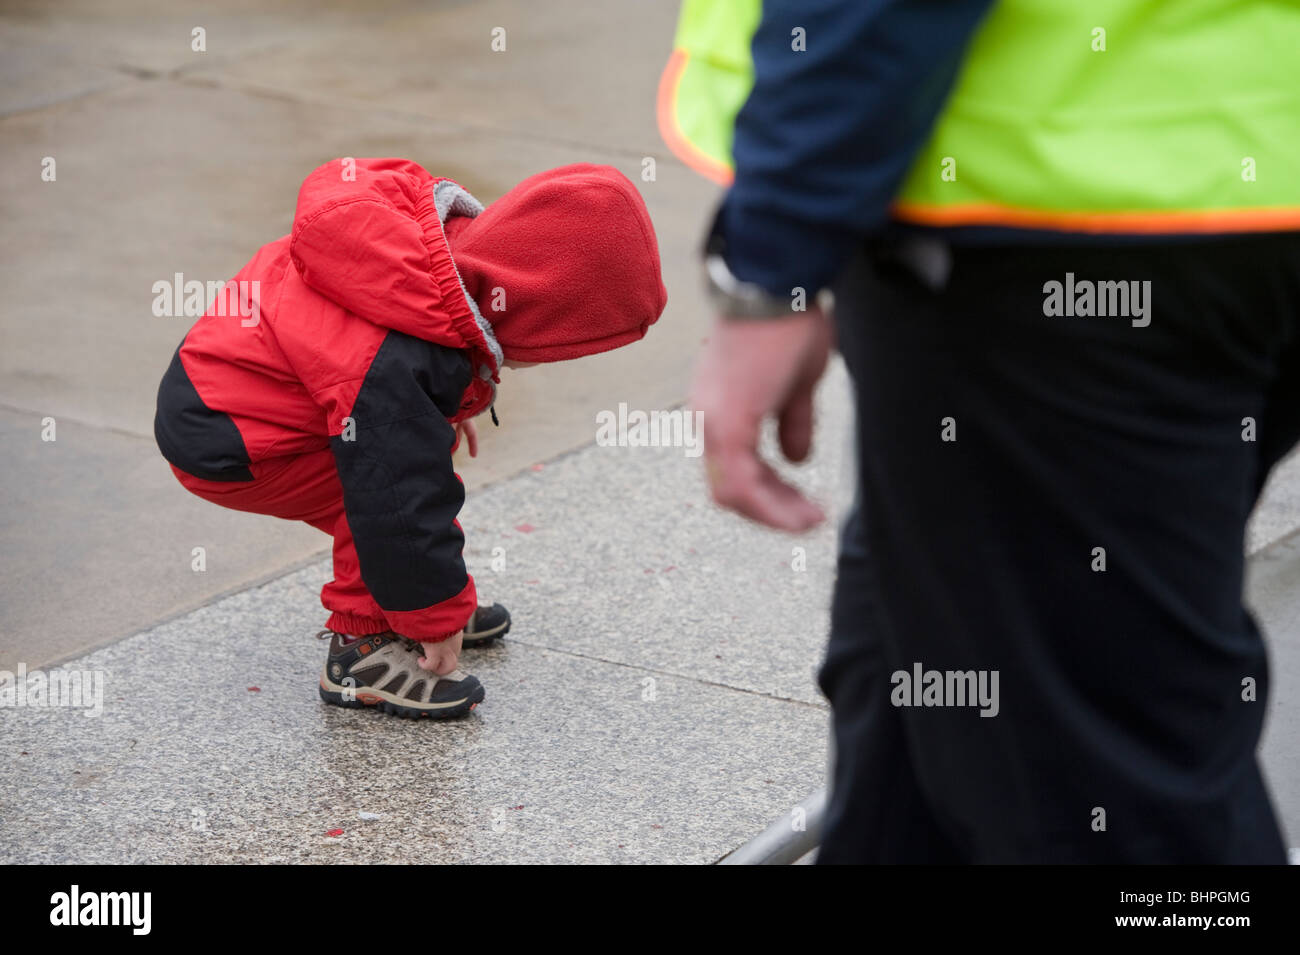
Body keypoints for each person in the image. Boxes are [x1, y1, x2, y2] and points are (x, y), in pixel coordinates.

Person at [669, 0, 1300, 861]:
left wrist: (774, 256)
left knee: (1108, 787)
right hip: (1221, 165)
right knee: (915, 688)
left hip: (1062, 218)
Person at [154, 158, 667, 719]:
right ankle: (362, 650)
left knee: (407, 458)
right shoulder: (396, 362)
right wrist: (437, 619)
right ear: (529, 307)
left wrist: (440, 399)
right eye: (551, 348)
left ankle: (413, 599)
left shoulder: (428, 263)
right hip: (228, 436)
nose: (542, 363)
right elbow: (396, 486)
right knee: (379, 495)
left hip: (232, 386)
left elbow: (380, 371)